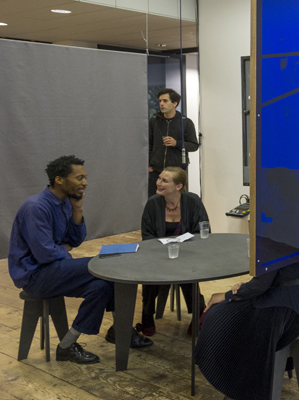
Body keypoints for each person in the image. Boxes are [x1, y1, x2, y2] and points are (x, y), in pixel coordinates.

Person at [8, 155, 152, 364]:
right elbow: (45, 254)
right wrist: (63, 249)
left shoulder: (66, 203)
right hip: (35, 276)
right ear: (59, 180)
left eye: (85, 177)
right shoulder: (36, 207)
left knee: (102, 286)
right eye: (79, 178)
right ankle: (121, 330)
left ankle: (69, 344)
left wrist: (77, 209)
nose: (85, 182)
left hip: (55, 268)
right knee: (107, 265)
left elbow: (75, 240)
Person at [195, 255, 299, 400]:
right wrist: (245, 287)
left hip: (289, 314)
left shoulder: (274, 240)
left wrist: (228, 295)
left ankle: (240, 387)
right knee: (242, 312)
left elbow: (261, 285)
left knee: (219, 314)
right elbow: (279, 274)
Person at [140, 166, 209, 335]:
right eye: (159, 178)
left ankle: (198, 312)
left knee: (186, 271)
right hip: (158, 255)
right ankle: (147, 314)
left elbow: (203, 231)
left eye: (164, 180)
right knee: (151, 274)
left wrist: (182, 249)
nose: (158, 183)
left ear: (179, 186)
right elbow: (147, 235)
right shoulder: (152, 203)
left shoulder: (192, 201)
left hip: (187, 254)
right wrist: (161, 251)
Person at [148, 88, 199, 198]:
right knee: (155, 202)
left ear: (174, 103)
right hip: (156, 171)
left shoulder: (185, 122)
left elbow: (194, 145)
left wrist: (177, 143)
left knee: (176, 202)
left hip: (177, 172)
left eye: (165, 101)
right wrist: (149, 165)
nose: (161, 104)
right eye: (160, 101)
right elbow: (148, 144)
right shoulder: (154, 120)